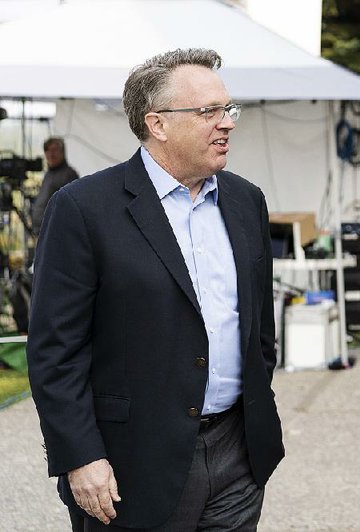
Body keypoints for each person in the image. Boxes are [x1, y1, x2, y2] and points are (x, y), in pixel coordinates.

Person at [27, 48, 284, 531]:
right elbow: (54, 350)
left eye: (229, 109)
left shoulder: (246, 200)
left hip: (237, 454)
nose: (226, 123)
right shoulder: (83, 209)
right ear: (157, 124)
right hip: (132, 464)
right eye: (208, 112)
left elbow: (257, 329)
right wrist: (80, 455)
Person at [31, 137, 79, 234]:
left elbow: (70, 208)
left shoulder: (69, 174)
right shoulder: (48, 174)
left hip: (56, 232)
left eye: (54, 150)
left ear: (62, 152)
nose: (50, 154)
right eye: (47, 151)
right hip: (43, 231)